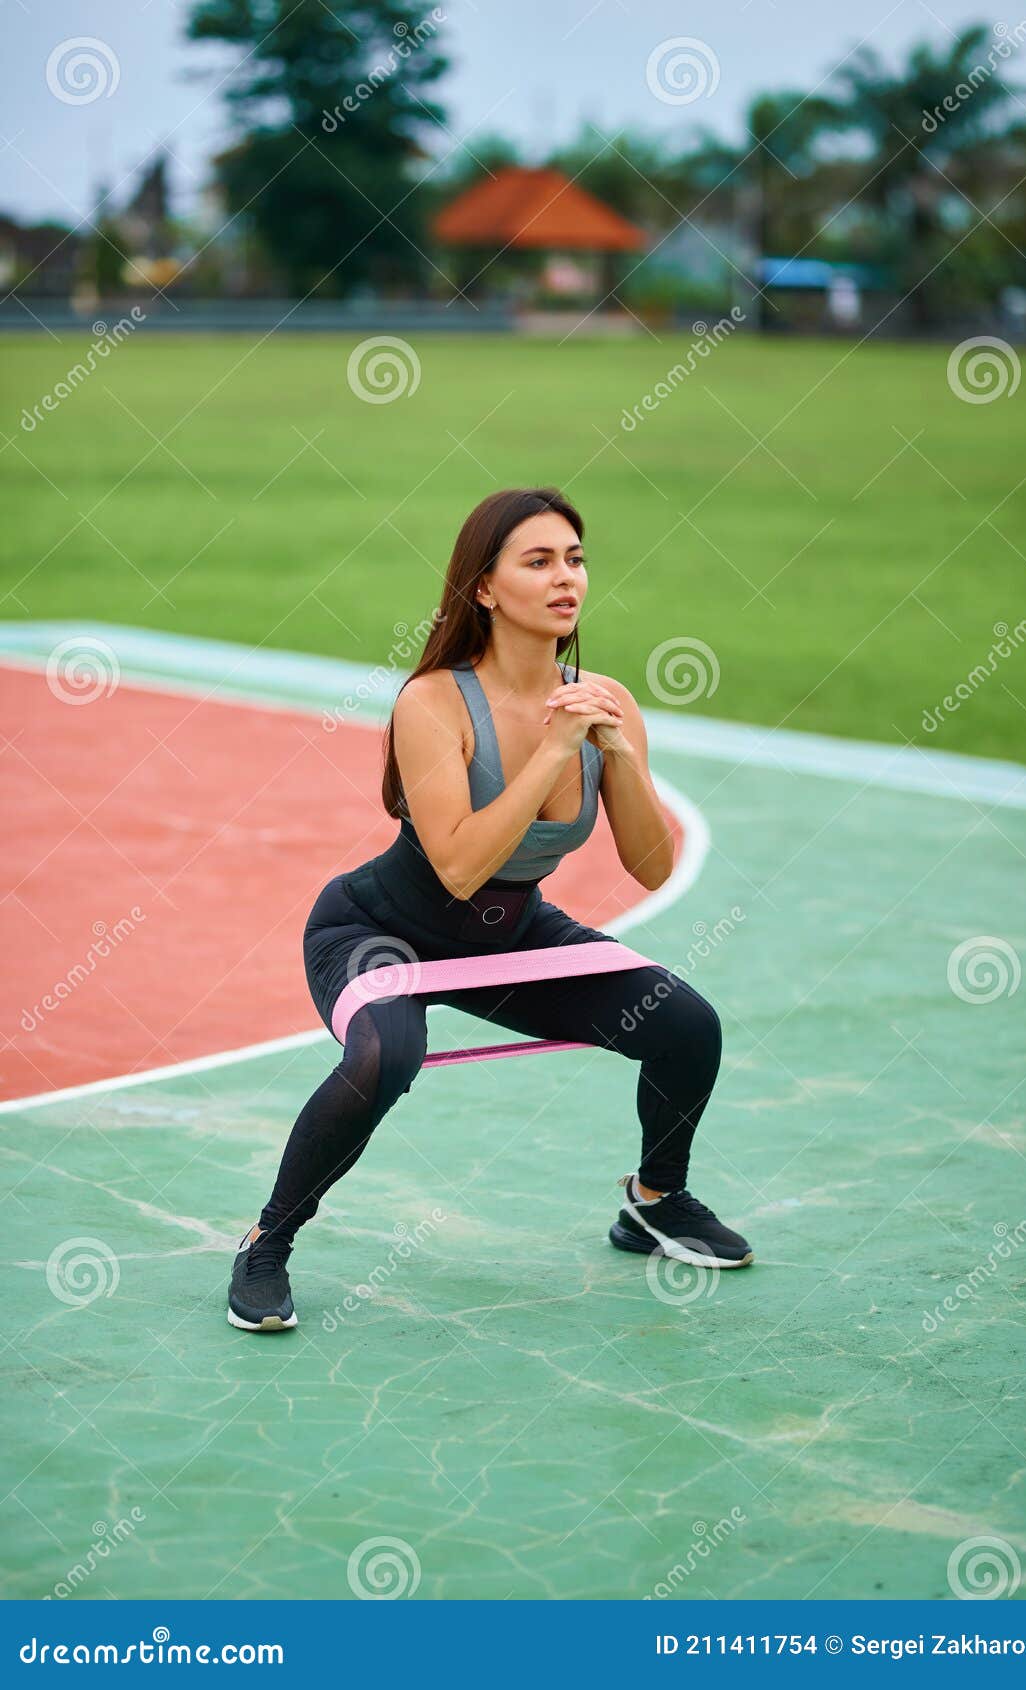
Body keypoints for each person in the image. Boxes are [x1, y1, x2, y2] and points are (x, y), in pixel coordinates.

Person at [228, 487, 752, 1331]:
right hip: (377, 931)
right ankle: (267, 1243)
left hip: (508, 935)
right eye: (538, 561)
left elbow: (652, 868)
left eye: (575, 559)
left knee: (687, 1024)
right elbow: (463, 866)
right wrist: (553, 753)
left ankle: (655, 1200)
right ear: (483, 586)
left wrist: (616, 754)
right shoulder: (432, 702)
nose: (565, 578)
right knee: (384, 1060)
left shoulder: (603, 701)